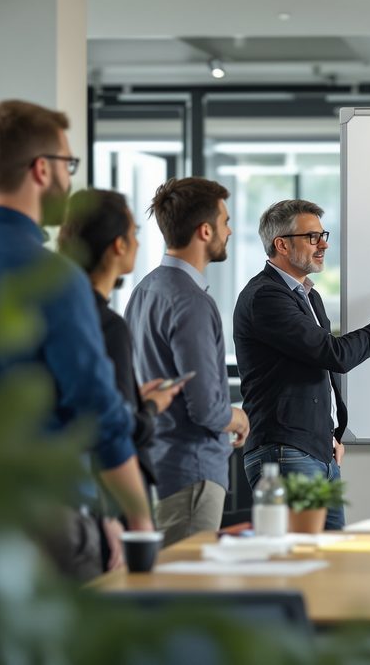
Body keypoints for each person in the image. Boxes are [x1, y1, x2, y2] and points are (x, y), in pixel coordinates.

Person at [0, 100, 153, 580]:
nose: (69, 178)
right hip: (41, 521)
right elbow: (97, 409)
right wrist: (137, 516)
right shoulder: (52, 277)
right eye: (67, 164)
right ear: (42, 169)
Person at [233, 199, 370, 530]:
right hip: (286, 452)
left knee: (331, 558)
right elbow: (335, 355)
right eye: (312, 237)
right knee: (304, 557)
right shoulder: (266, 296)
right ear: (281, 244)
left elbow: (316, 369)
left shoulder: (309, 296)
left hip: (314, 450)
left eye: (323, 235)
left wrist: (327, 434)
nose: (323, 244)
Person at [125, 177, 249, 544]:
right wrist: (239, 417)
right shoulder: (192, 301)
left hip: (156, 466)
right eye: (225, 221)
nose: (230, 230)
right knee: (186, 590)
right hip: (190, 473)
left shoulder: (146, 289)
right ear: (205, 230)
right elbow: (206, 408)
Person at [57, 189, 183, 501]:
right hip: (105, 497)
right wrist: (153, 406)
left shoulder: (55, 312)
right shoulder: (107, 325)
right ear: (118, 244)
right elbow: (118, 432)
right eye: (134, 233)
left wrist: (131, 400)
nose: (139, 243)